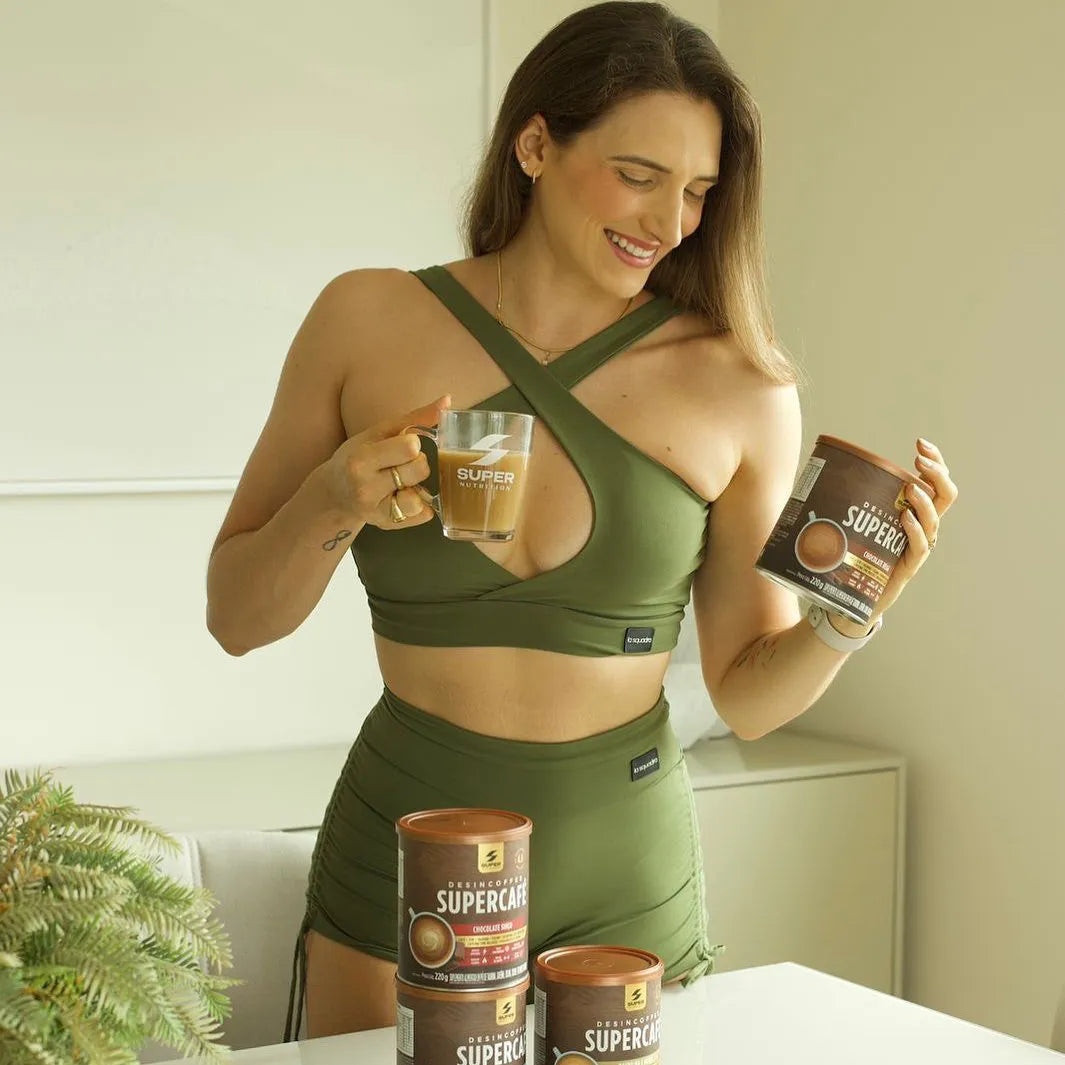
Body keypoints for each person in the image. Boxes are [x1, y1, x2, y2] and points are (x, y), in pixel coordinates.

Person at [205, 0, 958, 1041]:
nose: (670, 222)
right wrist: (334, 498)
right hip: (408, 859)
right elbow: (237, 618)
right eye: (638, 175)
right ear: (535, 145)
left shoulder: (739, 384)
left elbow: (746, 697)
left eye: (697, 191)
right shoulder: (365, 321)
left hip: (625, 878)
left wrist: (848, 615)